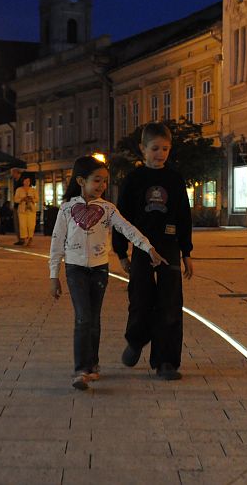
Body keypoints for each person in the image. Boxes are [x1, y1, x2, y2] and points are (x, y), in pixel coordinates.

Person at [49, 155, 166, 390]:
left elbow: (128, 228)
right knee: (83, 317)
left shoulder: (108, 209)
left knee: (94, 318)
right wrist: (54, 275)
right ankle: (81, 369)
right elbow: (56, 241)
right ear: (81, 181)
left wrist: (148, 247)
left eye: (104, 181)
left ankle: (92, 364)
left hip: (100, 270)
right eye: (97, 181)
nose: (102, 186)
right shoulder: (67, 209)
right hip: (75, 269)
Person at [112, 122, 193, 381]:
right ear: (142, 149)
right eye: (155, 148)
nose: (160, 153)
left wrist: (186, 252)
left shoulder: (175, 179)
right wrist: (120, 252)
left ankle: (166, 361)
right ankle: (136, 340)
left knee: (170, 303)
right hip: (141, 247)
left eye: (165, 149)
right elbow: (120, 217)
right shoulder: (134, 180)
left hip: (168, 246)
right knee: (141, 298)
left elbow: (184, 217)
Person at [13, 176, 38, 247]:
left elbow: (37, 199)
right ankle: (23, 239)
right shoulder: (19, 189)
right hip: (22, 210)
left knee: (31, 225)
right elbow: (16, 199)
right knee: (23, 225)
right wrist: (22, 199)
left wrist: (31, 199)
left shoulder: (33, 190)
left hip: (31, 209)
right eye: (26, 181)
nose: (27, 182)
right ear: (23, 181)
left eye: (28, 181)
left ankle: (30, 239)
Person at [10, 168, 24, 245]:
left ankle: (22, 238)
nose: (12, 175)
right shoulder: (15, 181)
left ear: (16, 173)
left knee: (20, 222)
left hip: (20, 205)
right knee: (17, 222)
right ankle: (19, 238)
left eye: (12, 173)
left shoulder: (21, 182)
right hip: (16, 204)